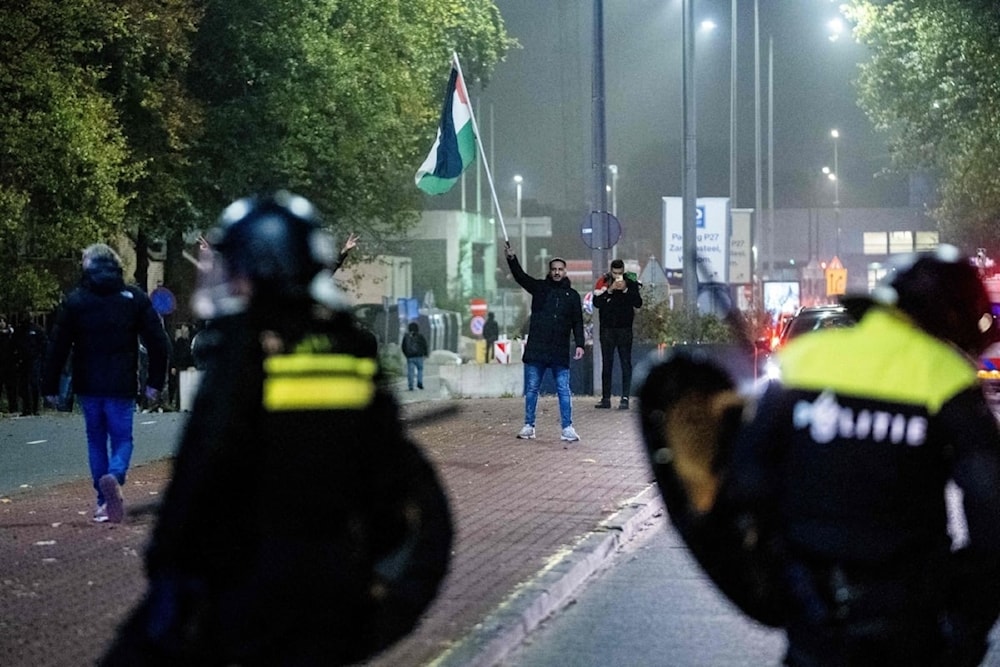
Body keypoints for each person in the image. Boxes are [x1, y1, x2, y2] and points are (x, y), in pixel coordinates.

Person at [100, 191, 451, 666]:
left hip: (251, 591)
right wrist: (383, 603)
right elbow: (406, 499)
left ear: (257, 267)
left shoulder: (242, 353)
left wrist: (170, 571)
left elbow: (203, 471)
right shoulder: (347, 350)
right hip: (335, 594)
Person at [639, 245, 1000, 666]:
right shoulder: (947, 379)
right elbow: (991, 512)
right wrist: (968, 623)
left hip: (811, 616)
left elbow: (746, 480)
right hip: (910, 622)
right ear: (953, 319)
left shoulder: (804, 361)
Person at [42, 244, 169, 524]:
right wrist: (154, 383)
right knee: (122, 438)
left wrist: (49, 386)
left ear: (87, 267)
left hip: (88, 384)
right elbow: (159, 343)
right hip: (122, 383)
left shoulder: (76, 300)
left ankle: (102, 502)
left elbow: (57, 346)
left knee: (96, 440)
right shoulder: (133, 298)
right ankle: (116, 473)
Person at [505, 243, 585, 442]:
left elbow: (578, 321)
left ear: (565, 272)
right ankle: (528, 426)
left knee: (563, 390)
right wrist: (511, 259)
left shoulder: (572, 296)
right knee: (532, 388)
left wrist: (580, 344)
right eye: (554, 269)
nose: (557, 273)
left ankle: (567, 428)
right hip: (538, 348)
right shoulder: (540, 288)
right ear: (550, 271)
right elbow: (521, 277)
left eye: (560, 269)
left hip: (559, 350)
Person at [593, 258, 642, 410]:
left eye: (620, 273)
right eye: (615, 273)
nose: (617, 276)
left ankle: (625, 397)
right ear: (611, 271)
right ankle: (606, 398)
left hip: (624, 328)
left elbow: (638, 303)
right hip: (607, 329)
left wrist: (626, 289)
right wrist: (610, 290)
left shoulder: (631, 281)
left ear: (623, 271)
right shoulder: (604, 280)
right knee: (607, 364)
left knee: (625, 363)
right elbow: (596, 303)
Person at [13, 312, 46, 416]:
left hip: (35, 360)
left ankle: (36, 408)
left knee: (34, 383)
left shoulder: (37, 330)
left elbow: (44, 344)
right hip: (22, 360)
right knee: (24, 385)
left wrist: (41, 358)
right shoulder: (19, 330)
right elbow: (13, 344)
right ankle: (26, 408)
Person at [167, 323, 194, 409]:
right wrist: (173, 366)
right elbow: (174, 355)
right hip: (180, 366)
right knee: (178, 386)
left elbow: (190, 355)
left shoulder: (189, 341)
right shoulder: (179, 342)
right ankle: (178, 404)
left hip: (186, 366)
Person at [401, 321, 429, 390]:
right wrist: (425, 353)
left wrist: (406, 354)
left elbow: (403, 346)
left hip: (410, 357)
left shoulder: (406, 337)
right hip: (419, 356)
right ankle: (419, 382)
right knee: (420, 369)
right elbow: (424, 345)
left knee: (410, 371)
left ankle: (410, 385)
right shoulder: (420, 336)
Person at [0, 314, 17, 413]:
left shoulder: (11, 335)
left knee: (11, 388)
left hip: (10, 364)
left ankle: (13, 408)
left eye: (3, 321)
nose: (1, 323)